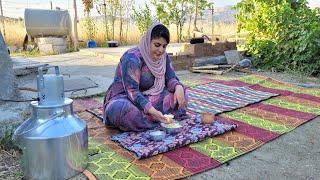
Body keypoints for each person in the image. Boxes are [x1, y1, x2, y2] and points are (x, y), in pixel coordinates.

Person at [103, 22, 188, 132]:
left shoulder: (163, 57)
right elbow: (132, 92)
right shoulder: (132, 58)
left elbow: (170, 78)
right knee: (121, 110)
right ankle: (158, 121)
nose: (161, 50)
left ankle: (153, 119)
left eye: (164, 46)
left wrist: (178, 87)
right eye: (157, 45)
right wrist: (151, 110)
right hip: (126, 98)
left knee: (183, 94)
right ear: (148, 42)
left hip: (151, 96)